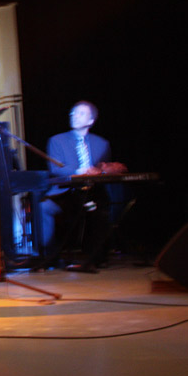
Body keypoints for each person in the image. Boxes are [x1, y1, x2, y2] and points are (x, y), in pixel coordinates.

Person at [38, 100, 126, 272]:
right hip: (65, 194)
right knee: (43, 207)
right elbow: (56, 169)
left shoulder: (102, 143)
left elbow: (103, 171)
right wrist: (81, 171)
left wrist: (104, 170)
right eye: (73, 113)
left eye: (81, 113)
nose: (74, 116)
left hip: (92, 193)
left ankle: (96, 258)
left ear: (91, 120)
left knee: (99, 208)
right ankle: (49, 256)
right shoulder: (57, 141)